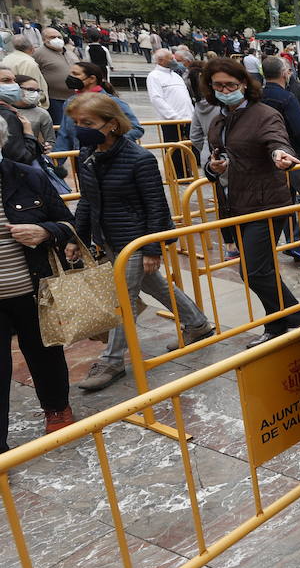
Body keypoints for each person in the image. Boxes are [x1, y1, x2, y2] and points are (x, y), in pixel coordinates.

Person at [65, 95, 215, 391]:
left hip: (135, 240)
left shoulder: (139, 158)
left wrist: (151, 249)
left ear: (111, 124)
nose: (81, 129)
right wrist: (77, 238)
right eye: (77, 123)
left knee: (123, 298)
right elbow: (87, 200)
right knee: (154, 286)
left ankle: (112, 360)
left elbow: (156, 206)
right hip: (107, 238)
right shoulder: (87, 154)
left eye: (88, 123)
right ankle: (197, 325)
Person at [201, 58, 300, 348]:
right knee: (260, 269)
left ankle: (294, 315)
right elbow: (213, 160)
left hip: (266, 202)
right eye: (219, 85)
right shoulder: (218, 119)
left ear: (244, 84)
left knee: (253, 270)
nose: (225, 89)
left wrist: (279, 154)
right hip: (234, 202)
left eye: (230, 84)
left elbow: (276, 140)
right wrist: (213, 168)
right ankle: (281, 320)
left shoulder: (264, 114)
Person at [0, 119, 81, 450]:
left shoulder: (27, 176)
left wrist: (47, 232)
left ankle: (57, 409)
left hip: (33, 289)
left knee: (45, 352)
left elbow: (68, 223)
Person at [55, 61, 144, 151]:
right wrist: (55, 160)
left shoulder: (112, 102)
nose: (71, 77)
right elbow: (64, 135)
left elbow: (136, 128)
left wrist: (110, 142)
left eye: (76, 74)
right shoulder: (70, 102)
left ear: (92, 79)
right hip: (82, 157)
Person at [35, 28, 78, 123]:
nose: (57, 39)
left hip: (75, 97)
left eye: (59, 37)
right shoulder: (38, 53)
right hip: (55, 99)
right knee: (60, 125)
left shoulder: (69, 52)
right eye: (52, 37)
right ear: (44, 39)